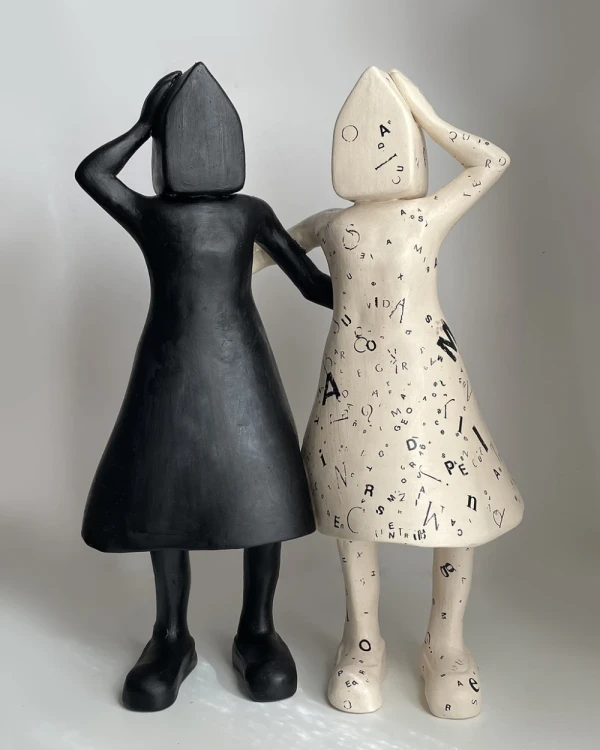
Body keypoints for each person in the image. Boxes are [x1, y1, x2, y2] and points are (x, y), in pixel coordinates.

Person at [254, 67, 523, 719]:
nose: (371, 145)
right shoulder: (331, 225)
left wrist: (430, 118)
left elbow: (491, 161)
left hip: (430, 383)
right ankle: (362, 642)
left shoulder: (427, 213)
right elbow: (257, 253)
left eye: (386, 132)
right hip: (353, 382)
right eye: (356, 134)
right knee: (353, 510)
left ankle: (446, 645)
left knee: (455, 506)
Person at [75, 62, 333, 712]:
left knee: (262, 489)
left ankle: (258, 628)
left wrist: (384, 284)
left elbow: (311, 284)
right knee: (163, 487)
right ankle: (170, 636)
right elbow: (93, 175)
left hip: (242, 366)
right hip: (170, 367)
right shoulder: (153, 216)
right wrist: (144, 123)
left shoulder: (249, 213)